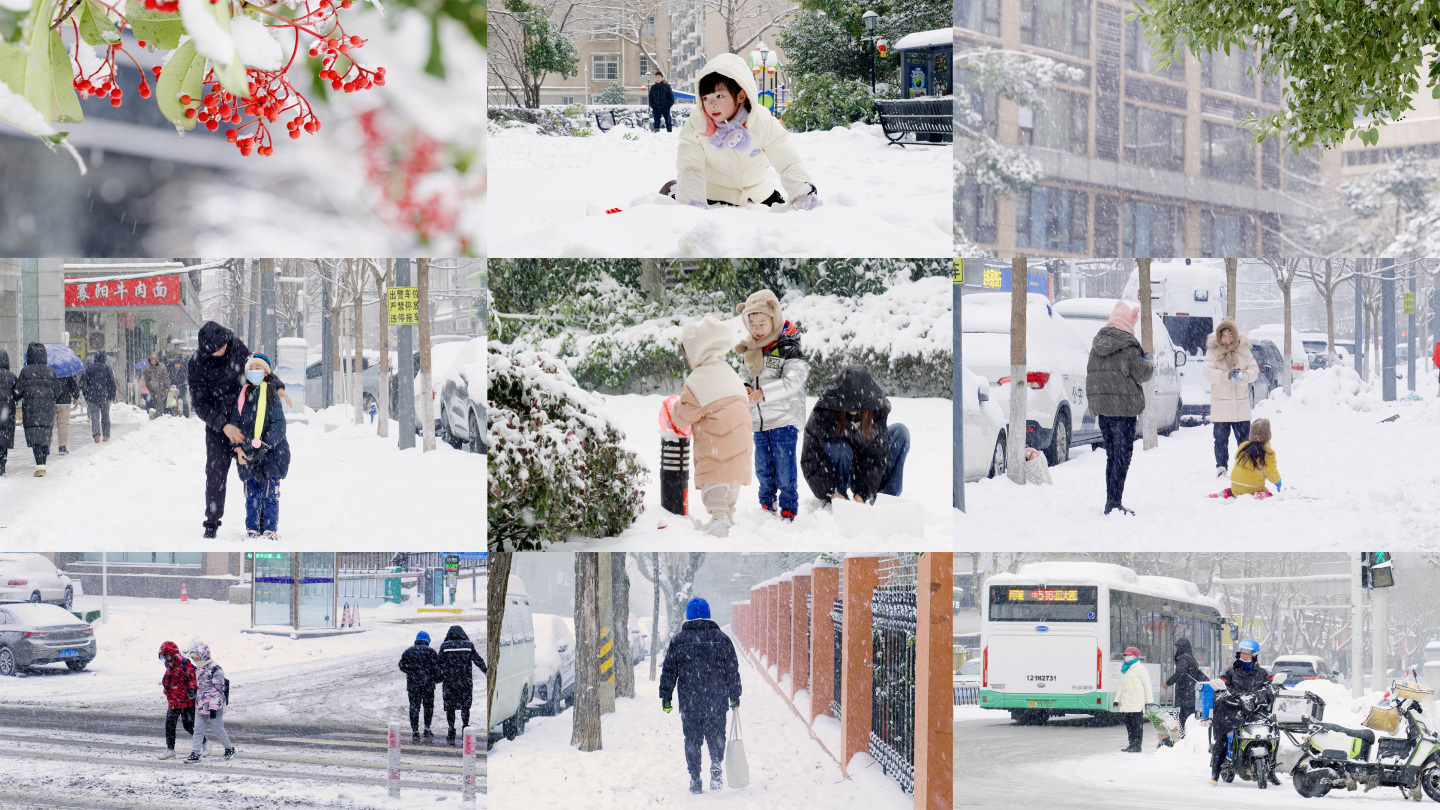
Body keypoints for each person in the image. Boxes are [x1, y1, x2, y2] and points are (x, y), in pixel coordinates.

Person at [663, 54, 819, 210]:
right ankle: (673, 188)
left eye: (719, 96)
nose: (711, 104)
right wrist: (693, 202)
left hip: (759, 192)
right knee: (685, 191)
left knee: (777, 205)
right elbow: (690, 166)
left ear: (741, 95)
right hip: (715, 193)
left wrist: (802, 191)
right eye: (705, 98)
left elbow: (786, 159)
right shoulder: (697, 125)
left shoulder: (761, 121)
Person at [190, 322, 284, 538]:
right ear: (207, 350)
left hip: (247, 419)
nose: (224, 349)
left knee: (256, 466)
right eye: (218, 348)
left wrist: (276, 385)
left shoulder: (234, 346)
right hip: (218, 426)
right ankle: (212, 522)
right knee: (215, 473)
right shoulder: (196, 364)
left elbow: (257, 366)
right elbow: (200, 404)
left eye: (224, 344)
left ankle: (262, 522)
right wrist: (223, 425)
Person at [665, 316, 752, 537]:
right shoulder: (729, 373)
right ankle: (728, 517)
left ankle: (719, 520)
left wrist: (672, 411)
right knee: (730, 481)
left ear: (695, 351)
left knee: (714, 483)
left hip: (716, 445)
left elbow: (682, 415)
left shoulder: (698, 380)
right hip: (741, 443)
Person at [735, 289, 808, 522]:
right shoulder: (752, 348)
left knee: (785, 469)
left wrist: (764, 393)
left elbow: (794, 380)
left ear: (774, 319)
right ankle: (766, 503)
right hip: (758, 421)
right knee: (763, 468)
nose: (757, 329)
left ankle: (788, 507)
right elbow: (744, 371)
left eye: (762, 323)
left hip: (783, 419)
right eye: (752, 324)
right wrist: (745, 385)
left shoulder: (787, 347)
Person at [660, 597, 741, 794]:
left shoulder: (678, 641)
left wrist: (666, 695)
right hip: (716, 699)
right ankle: (715, 763)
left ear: (688, 616)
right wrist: (734, 694)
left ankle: (695, 778)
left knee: (692, 740)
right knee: (716, 735)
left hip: (690, 702)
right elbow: (732, 669)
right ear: (708, 614)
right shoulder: (721, 639)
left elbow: (669, 670)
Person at [801, 364, 909, 506]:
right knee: (841, 447)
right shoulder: (825, 412)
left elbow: (877, 455)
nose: (853, 405)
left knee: (901, 432)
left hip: (862, 467)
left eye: (858, 400)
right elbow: (809, 460)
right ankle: (840, 497)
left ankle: (885, 499)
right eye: (849, 399)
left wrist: (862, 494)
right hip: (838, 467)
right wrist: (829, 492)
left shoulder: (874, 409)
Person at [1085, 302, 1155, 516]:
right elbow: (1144, 373)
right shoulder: (1129, 347)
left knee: (1113, 456)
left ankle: (1111, 501)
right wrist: (1147, 360)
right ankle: (1114, 503)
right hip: (1124, 411)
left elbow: (1093, 376)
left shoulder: (1097, 345)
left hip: (1105, 411)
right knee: (1122, 457)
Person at [230, 353, 291, 539]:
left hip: (272, 453)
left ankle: (271, 528)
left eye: (259, 368)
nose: (255, 371)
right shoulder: (242, 395)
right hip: (248, 453)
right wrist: (237, 448)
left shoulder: (271, 393)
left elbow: (279, 424)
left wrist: (266, 444)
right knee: (252, 494)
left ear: (266, 372)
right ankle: (252, 528)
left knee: (270, 493)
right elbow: (235, 424)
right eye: (252, 368)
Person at [1210, 639, 1278, 786]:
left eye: (1248, 653)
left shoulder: (1263, 673)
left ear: (1254, 655)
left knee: (1274, 734)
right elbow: (1222, 688)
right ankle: (1214, 773)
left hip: (1256, 712)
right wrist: (1233, 696)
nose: (1245, 655)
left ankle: (1271, 771)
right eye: (1243, 653)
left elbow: (1272, 688)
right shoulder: (1230, 672)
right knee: (1222, 737)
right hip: (1234, 711)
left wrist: (1263, 694)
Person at [1203, 318, 1259, 477]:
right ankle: (1221, 467)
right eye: (1224, 336)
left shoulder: (1244, 350)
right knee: (1220, 439)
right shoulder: (1213, 351)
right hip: (1221, 404)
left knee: (1244, 440)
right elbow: (1207, 373)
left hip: (1241, 404)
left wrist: (1244, 376)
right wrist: (1225, 375)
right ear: (1219, 336)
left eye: (1230, 335)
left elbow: (1254, 370)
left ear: (1235, 335)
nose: (1227, 339)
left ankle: (1245, 467)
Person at [185, 642, 235, 763]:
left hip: (215, 706)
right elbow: (200, 687)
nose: (195, 660)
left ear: (204, 656)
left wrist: (213, 707)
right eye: (193, 658)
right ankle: (195, 753)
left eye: (197, 657)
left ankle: (229, 748)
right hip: (201, 704)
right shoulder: (199, 668)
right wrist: (193, 693)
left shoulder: (215, 669)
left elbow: (217, 690)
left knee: (217, 728)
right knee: (198, 729)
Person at [1211, 417, 1282, 500]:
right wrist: (1277, 481)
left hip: (1235, 485)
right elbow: (1271, 471)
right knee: (1267, 493)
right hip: (1253, 488)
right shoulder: (1268, 452)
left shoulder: (1243, 446)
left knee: (1235, 490)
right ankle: (1259, 495)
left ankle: (1224, 493)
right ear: (1268, 436)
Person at [437, 625, 486, 746]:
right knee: (465, 706)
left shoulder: (445, 646)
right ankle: (465, 727)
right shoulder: (468, 645)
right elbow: (477, 659)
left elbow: (438, 663)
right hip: (465, 681)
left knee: (450, 707)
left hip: (449, 682)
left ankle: (451, 729)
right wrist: (485, 670)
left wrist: (437, 675)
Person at [15, 343, 58, 477]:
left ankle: (40, 465)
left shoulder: (25, 371)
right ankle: (42, 464)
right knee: (44, 436)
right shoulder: (50, 371)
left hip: (31, 410)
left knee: (35, 438)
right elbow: (58, 391)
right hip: (47, 410)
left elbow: (17, 392)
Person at [399, 631, 441, 743]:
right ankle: (427, 728)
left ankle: (415, 731)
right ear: (427, 641)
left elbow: (402, 666)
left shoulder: (409, 651)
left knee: (414, 707)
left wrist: (412, 672)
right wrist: (435, 678)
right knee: (428, 707)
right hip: (428, 685)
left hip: (413, 685)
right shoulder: (431, 652)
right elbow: (437, 669)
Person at [158, 640, 197, 759]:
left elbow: (192, 678)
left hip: (186, 701)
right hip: (174, 700)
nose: (166, 658)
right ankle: (170, 749)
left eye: (167, 655)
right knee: (170, 724)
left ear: (173, 654)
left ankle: (204, 743)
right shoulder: (168, 665)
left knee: (188, 725)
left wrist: (191, 690)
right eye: (163, 656)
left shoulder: (185, 663)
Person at [1164, 637, 1208, 738]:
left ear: (1182, 647)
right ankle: (1186, 737)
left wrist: (1168, 683)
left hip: (1187, 695)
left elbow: (1180, 673)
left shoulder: (1184, 658)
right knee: (1188, 717)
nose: (1176, 649)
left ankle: (1186, 738)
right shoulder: (1190, 656)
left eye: (1177, 647)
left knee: (1186, 718)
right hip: (1190, 694)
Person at [1113, 646, 1152, 753]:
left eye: (1128, 655)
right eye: (1125, 655)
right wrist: (1117, 700)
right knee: (1129, 725)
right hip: (1127, 703)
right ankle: (1131, 744)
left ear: (1135, 656)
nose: (1126, 657)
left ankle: (1137, 746)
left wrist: (1149, 702)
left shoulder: (1140, 669)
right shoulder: (1125, 669)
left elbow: (1147, 685)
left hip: (1137, 703)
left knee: (1137, 726)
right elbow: (1122, 686)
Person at [82, 350, 117, 443]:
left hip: (92, 397)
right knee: (105, 416)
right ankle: (106, 435)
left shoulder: (89, 368)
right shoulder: (107, 368)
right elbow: (112, 383)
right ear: (104, 358)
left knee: (94, 417)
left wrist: (86, 394)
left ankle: (96, 435)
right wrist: (112, 394)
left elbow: (84, 382)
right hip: (104, 396)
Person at [52, 370, 78, 455]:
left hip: (51, 400)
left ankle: (47, 445)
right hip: (64, 401)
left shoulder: (50, 371)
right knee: (63, 425)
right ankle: (62, 447)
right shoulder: (67, 372)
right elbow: (74, 386)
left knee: (51, 424)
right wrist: (75, 396)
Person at [0, 349, 15, 476]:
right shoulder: (11, 376)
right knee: (5, 435)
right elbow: (17, 394)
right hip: (6, 412)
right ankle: (2, 461)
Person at [143, 353, 171, 417]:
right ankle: (158, 417)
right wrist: (149, 388)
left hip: (161, 390)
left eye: (153, 359)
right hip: (153, 390)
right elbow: (146, 379)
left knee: (159, 403)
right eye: (151, 359)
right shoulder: (148, 368)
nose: (152, 361)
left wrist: (168, 386)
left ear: (156, 360)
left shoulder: (162, 367)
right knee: (155, 404)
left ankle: (159, 416)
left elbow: (166, 377)